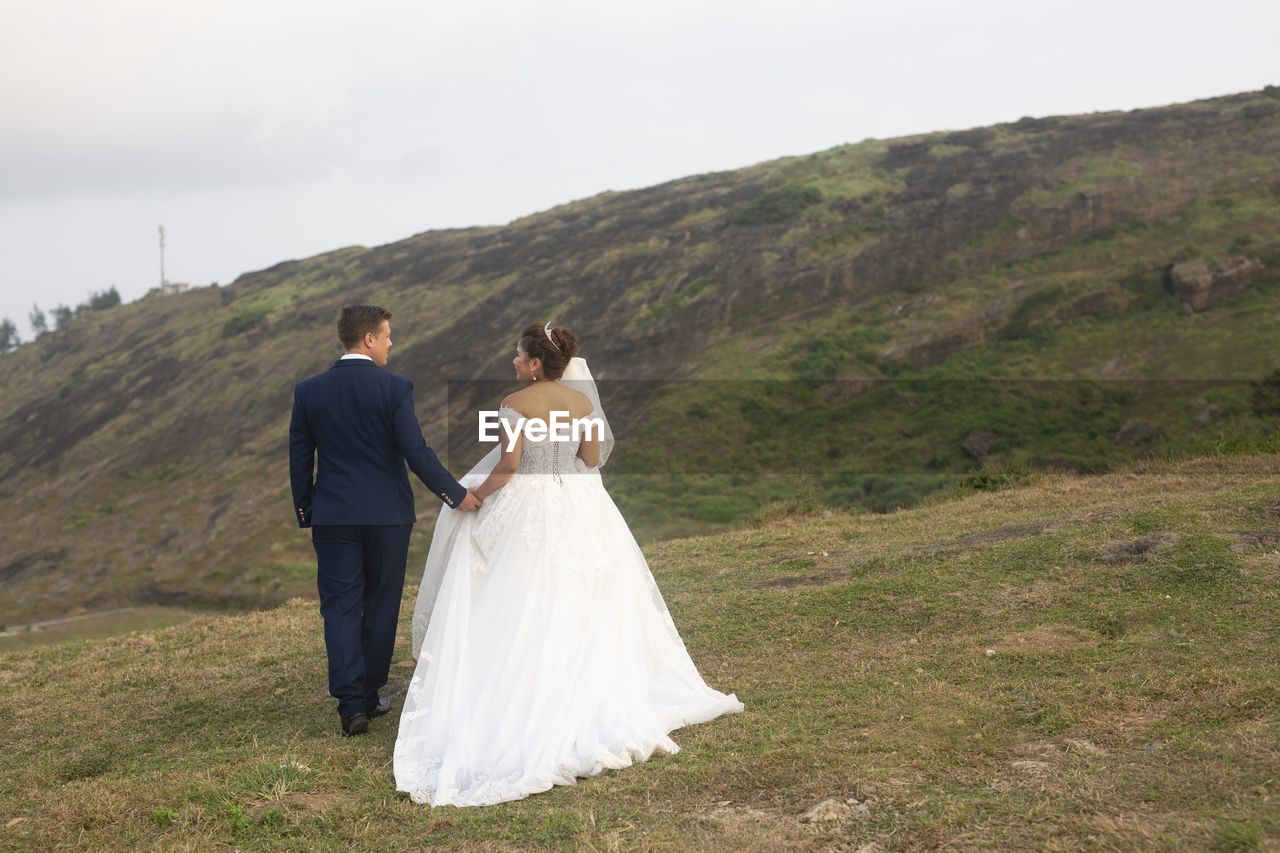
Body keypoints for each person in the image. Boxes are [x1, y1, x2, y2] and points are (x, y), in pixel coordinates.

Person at [393, 321, 743, 807]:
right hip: (578, 504)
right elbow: (592, 457)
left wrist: (470, 497)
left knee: (519, 594)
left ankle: (523, 682)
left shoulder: (515, 405)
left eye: (518, 356)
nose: (513, 362)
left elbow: (509, 467)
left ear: (536, 363)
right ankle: (582, 678)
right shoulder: (582, 404)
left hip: (529, 505)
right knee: (579, 593)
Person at [289, 304, 482, 737]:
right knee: (380, 604)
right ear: (369, 339)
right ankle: (372, 693)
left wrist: (308, 511)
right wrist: (455, 495)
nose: (392, 343)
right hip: (387, 516)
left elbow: (300, 457)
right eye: (388, 335)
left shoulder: (309, 391)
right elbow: (416, 452)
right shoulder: (394, 388)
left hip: (333, 516)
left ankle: (351, 704)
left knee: (339, 607)